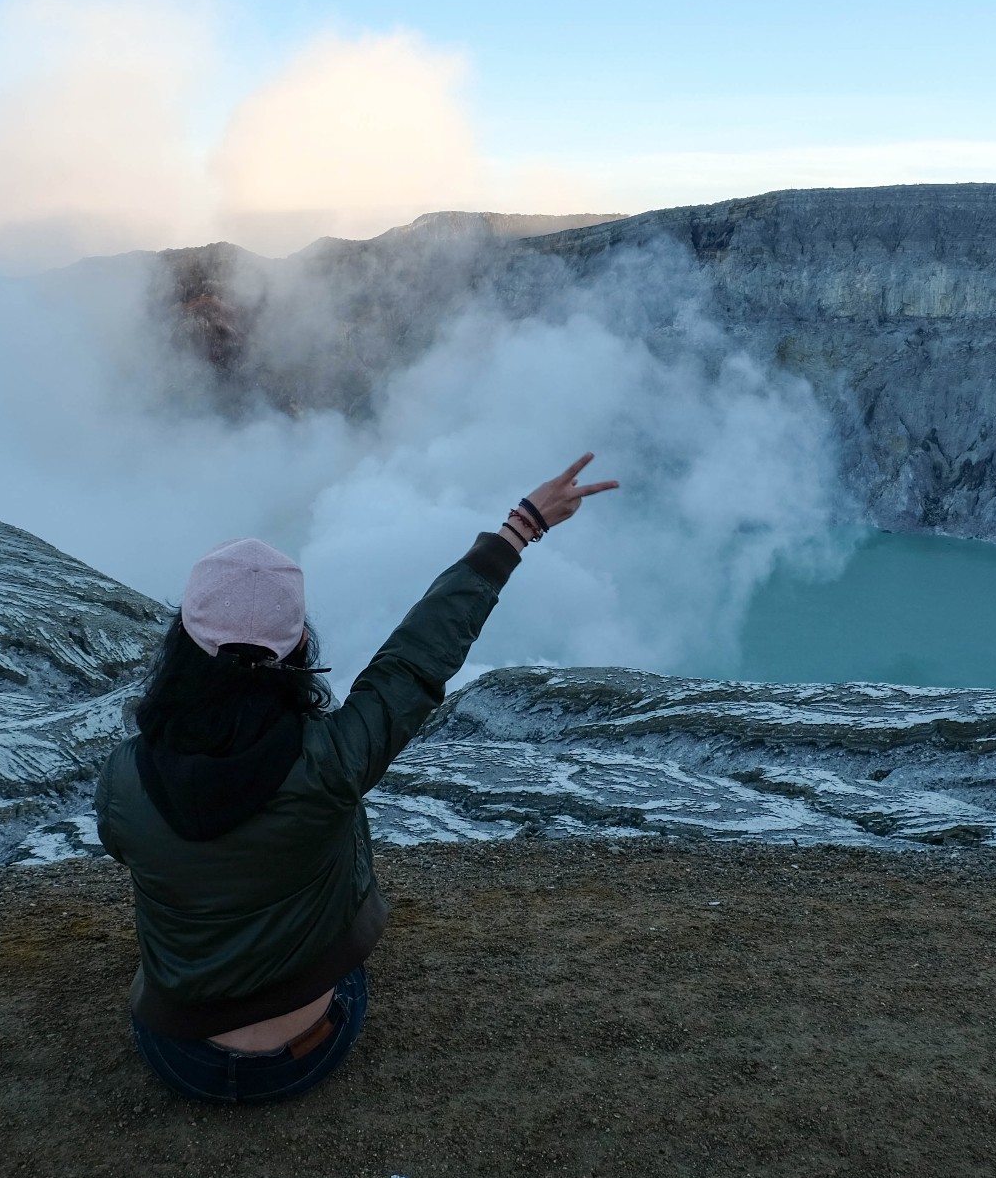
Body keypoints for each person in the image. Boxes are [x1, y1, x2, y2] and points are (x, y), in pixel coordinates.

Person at [95, 453, 618, 1105]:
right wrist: (521, 528)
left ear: (184, 645)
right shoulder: (333, 759)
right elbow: (413, 663)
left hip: (180, 1053)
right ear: (294, 650)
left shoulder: (124, 777)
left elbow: (119, 844)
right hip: (308, 1050)